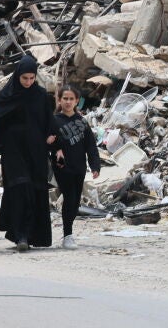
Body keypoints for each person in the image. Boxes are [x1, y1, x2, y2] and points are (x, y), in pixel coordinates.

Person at [0, 54, 56, 251]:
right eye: (24, 78)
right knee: (20, 188)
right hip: (13, 150)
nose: (28, 82)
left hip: (36, 151)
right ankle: (21, 236)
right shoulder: (5, 96)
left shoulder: (41, 95)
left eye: (32, 78)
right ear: (17, 75)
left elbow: (49, 121)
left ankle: (29, 234)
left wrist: (52, 138)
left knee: (35, 190)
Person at [51, 87, 101, 249]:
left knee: (75, 200)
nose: (68, 102)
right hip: (62, 166)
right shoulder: (53, 121)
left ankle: (68, 233)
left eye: (71, 99)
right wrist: (54, 148)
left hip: (79, 166)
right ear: (59, 100)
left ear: (77, 101)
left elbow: (91, 146)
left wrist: (95, 166)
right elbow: (46, 142)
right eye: (65, 98)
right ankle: (68, 235)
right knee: (69, 197)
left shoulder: (82, 122)